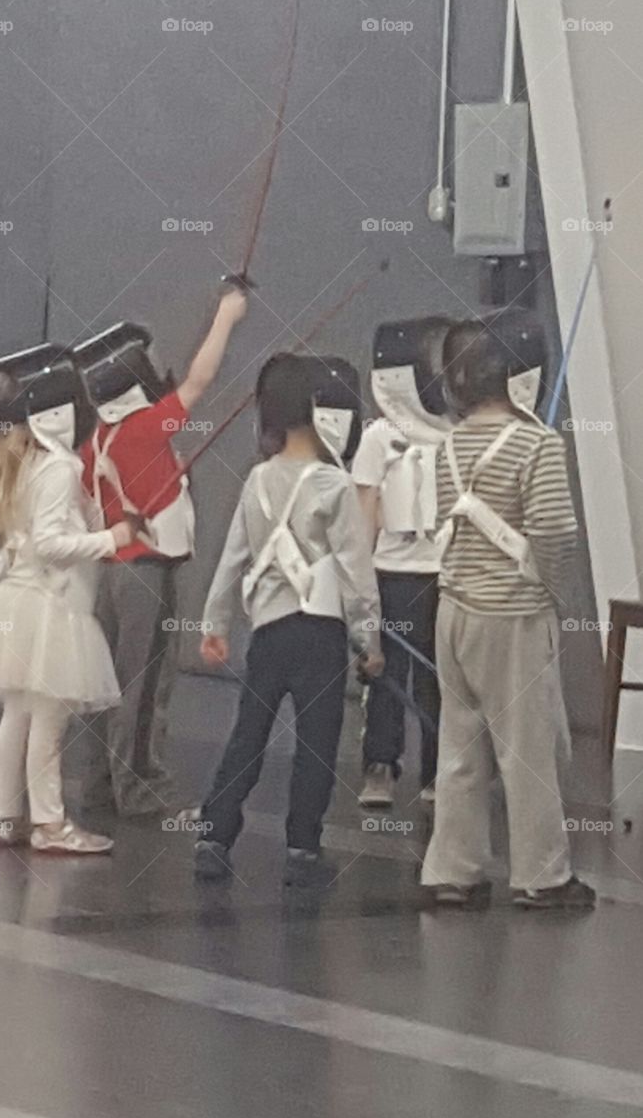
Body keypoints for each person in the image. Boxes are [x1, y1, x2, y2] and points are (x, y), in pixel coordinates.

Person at [421, 318, 596, 909]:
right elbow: (554, 529)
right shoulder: (539, 443)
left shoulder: (446, 444)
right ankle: (543, 878)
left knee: (460, 750)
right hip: (513, 616)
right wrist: (553, 585)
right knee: (529, 750)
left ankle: (454, 871)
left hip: (453, 613)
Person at [193, 352, 384, 886]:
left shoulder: (256, 480)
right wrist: (369, 640)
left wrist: (215, 624)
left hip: (269, 632)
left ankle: (214, 834)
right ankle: (302, 849)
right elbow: (354, 571)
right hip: (321, 634)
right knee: (316, 746)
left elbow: (232, 557)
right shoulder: (334, 485)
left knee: (248, 734)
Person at [69, 287, 249, 824]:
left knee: (110, 684)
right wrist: (226, 316)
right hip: (147, 575)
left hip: (112, 578)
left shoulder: (96, 440)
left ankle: (103, 786)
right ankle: (143, 791)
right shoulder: (145, 430)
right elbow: (199, 380)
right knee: (144, 688)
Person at [0, 345, 136, 854]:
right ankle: (50, 825)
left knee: (17, 715)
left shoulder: (20, 461)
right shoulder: (57, 467)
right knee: (47, 721)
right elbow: (52, 545)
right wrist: (112, 540)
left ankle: (7, 817)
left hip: (16, 604)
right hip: (51, 607)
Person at [352, 317, 452, 808]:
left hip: (446, 574)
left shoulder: (458, 431)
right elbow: (365, 510)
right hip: (393, 574)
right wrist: (358, 579)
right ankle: (381, 764)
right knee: (386, 675)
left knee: (440, 678)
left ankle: (439, 772)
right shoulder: (378, 438)